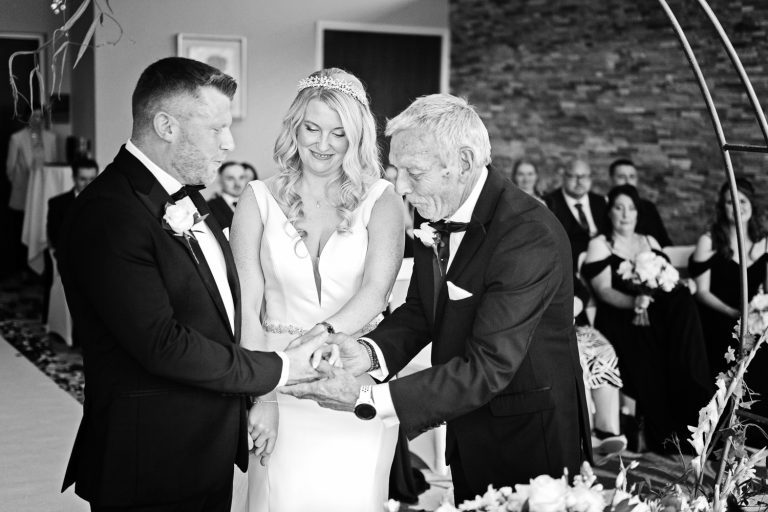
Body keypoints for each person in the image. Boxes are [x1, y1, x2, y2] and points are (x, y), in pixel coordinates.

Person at [283, 93, 592, 504]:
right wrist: (367, 353)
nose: (401, 187)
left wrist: (364, 398)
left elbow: (490, 366)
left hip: (528, 440)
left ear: (463, 163)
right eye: (396, 170)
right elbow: (421, 313)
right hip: (470, 430)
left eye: (414, 171)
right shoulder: (439, 213)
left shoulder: (527, 234)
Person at [57, 57, 329, 512]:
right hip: (150, 460)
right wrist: (278, 368)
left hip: (205, 449)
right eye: (216, 128)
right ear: (166, 125)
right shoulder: (110, 213)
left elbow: (216, 308)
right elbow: (161, 343)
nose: (230, 143)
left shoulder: (187, 197)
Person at [230, 68, 404, 511]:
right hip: (279, 380)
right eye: (312, 128)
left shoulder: (382, 199)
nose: (323, 144)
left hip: (352, 381)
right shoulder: (256, 199)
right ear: (295, 127)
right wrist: (263, 394)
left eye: (339, 133)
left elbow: (377, 292)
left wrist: (322, 335)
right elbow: (247, 308)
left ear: (357, 137)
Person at [581, 185, 712, 454]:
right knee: (652, 351)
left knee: (683, 303)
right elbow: (604, 290)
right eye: (618, 208)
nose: (625, 214)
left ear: (638, 212)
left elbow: (667, 278)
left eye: (631, 208)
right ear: (610, 212)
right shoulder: (600, 243)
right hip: (622, 321)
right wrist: (634, 301)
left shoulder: (650, 241)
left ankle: (695, 396)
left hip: (656, 318)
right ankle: (662, 435)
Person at [690, 179, 768, 446]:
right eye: (729, 201)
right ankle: (722, 435)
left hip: (753, 321)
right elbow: (701, 291)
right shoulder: (710, 240)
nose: (737, 206)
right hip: (718, 316)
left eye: (743, 201)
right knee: (733, 347)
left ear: (751, 205)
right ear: (722, 207)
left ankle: (756, 433)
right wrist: (733, 311)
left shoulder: (764, 243)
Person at [5, 109, 58, 274]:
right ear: (27, 117)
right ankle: (22, 269)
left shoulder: (51, 138)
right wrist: (22, 185)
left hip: (44, 193)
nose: (37, 119)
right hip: (23, 193)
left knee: (42, 228)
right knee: (21, 230)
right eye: (34, 115)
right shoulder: (17, 138)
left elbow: (54, 165)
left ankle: (41, 269)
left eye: (40, 116)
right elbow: (10, 168)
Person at [544, 159, 608, 270]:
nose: (579, 182)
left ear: (590, 178)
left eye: (584, 176)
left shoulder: (601, 201)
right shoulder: (549, 203)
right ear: (564, 177)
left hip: (604, 260)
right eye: (573, 176)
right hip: (568, 265)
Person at [609, 158, 673, 247]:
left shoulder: (648, 207)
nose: (628, 181)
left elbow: (664, 241)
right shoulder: (601, 205)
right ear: (611, 179)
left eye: (632, 177)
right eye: (622, 177)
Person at [47, 158, 99, 261]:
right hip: (69, 259)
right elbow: (55, 238)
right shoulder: (57, 204)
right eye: (83, 179)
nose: (88, 184)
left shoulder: (106, 202)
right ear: (74, 178)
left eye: (92, 179)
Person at [208, 161, 248, 230]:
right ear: (220, 180)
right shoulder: (209, 208)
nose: (237, 184)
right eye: (231, 178)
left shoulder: (257, 202)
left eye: (241, 177)